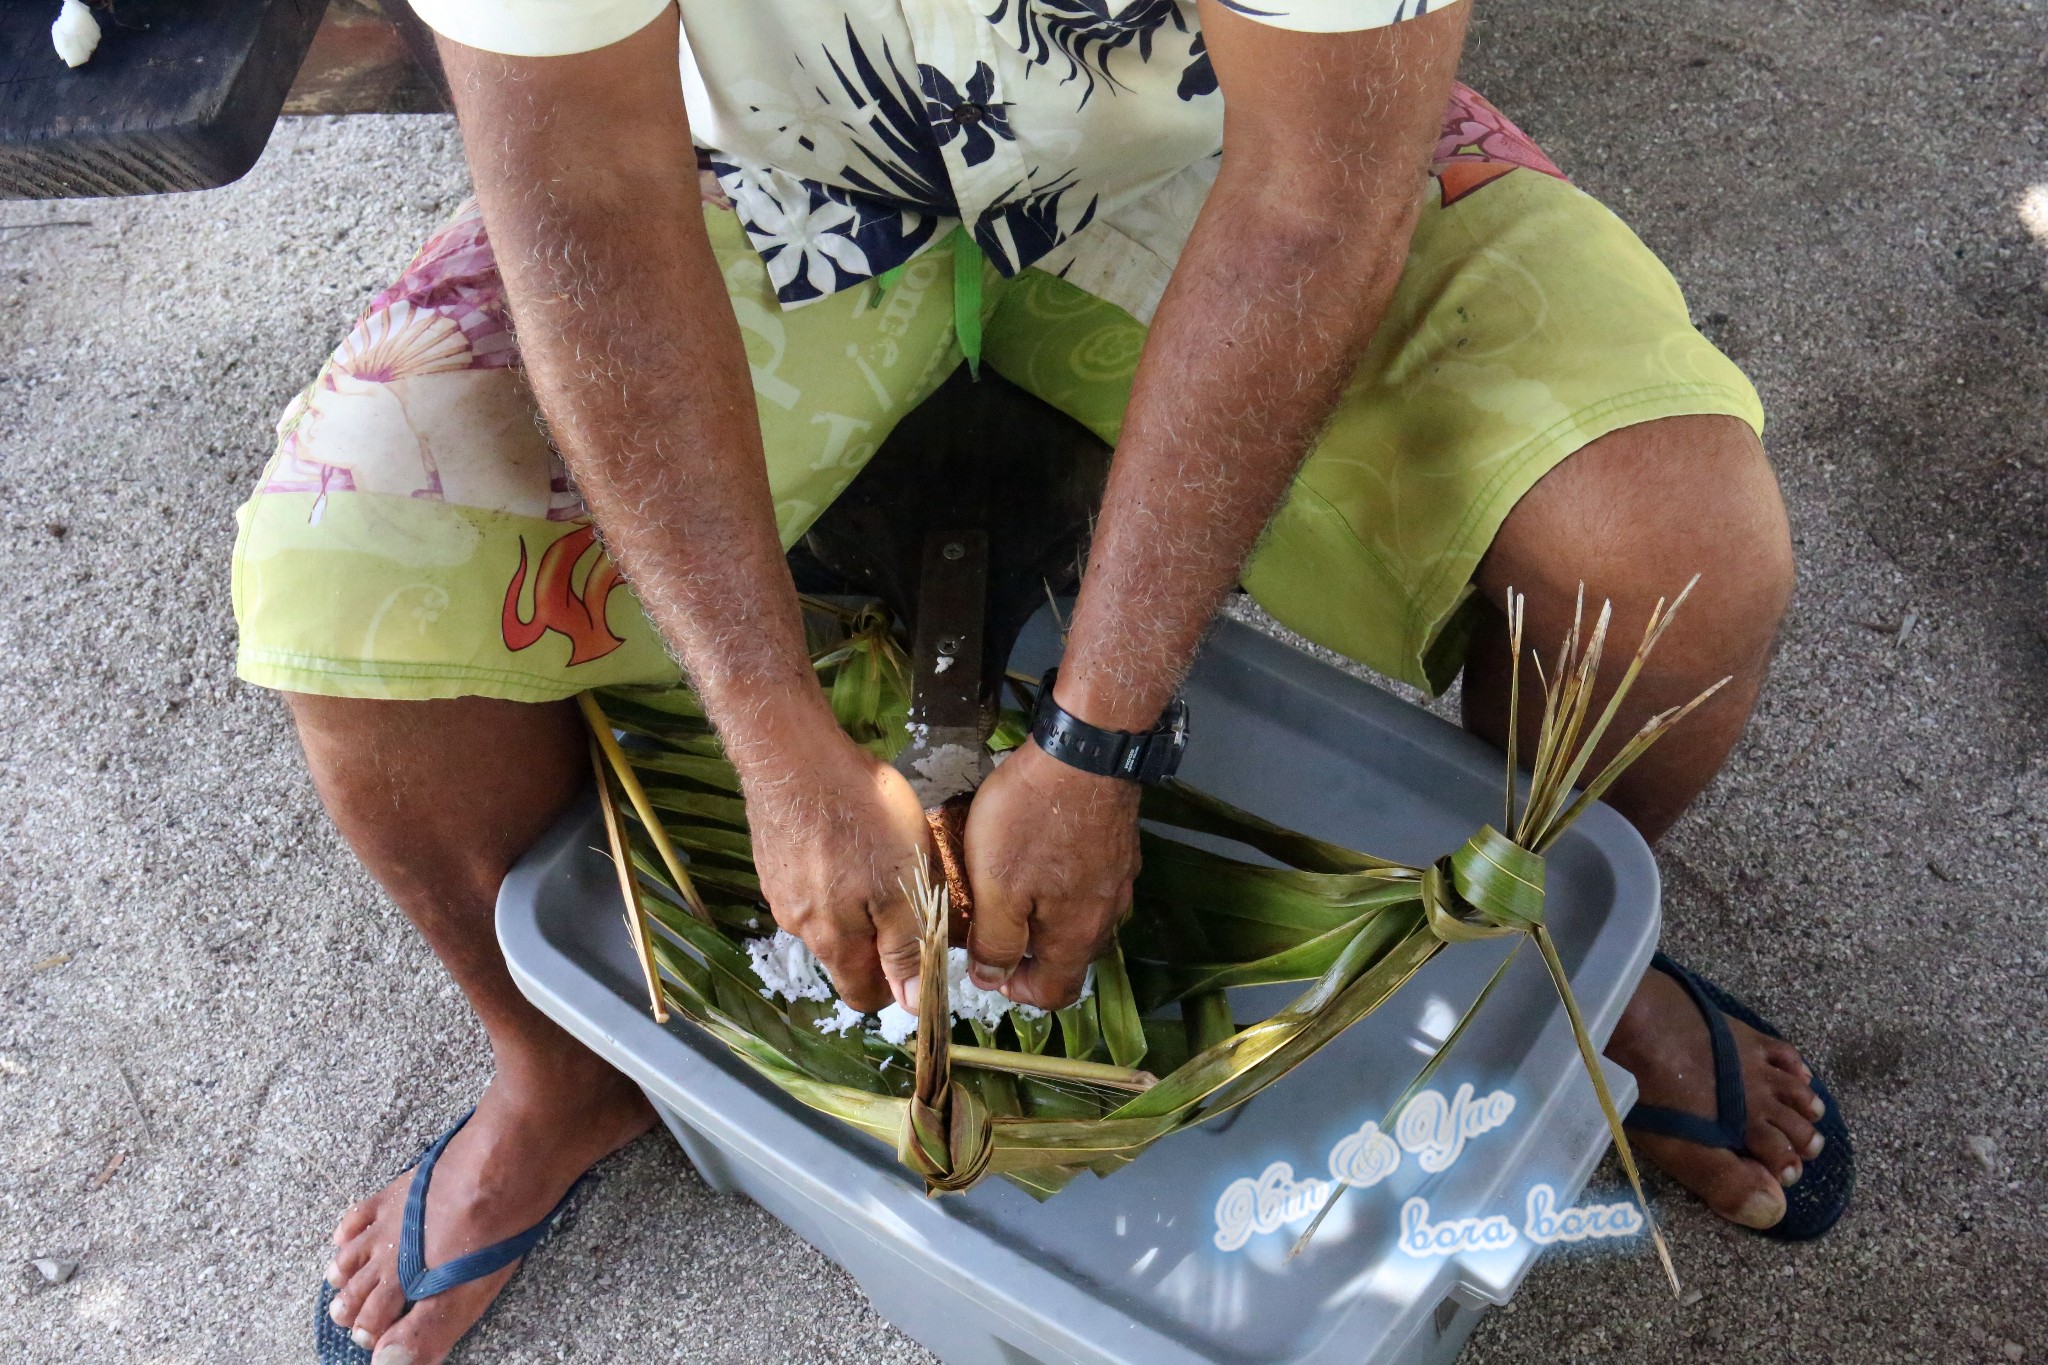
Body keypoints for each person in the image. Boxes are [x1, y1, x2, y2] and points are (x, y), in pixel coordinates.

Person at [236, 3, 1836, 1362]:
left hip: (1203, 147)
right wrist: (774, 732)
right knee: (341, 586)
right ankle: (569, 1067)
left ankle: (1566, 968)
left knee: (1671, 552)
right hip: (753, 172)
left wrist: (1098, 735)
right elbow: (582, 194)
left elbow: (1313, 198)